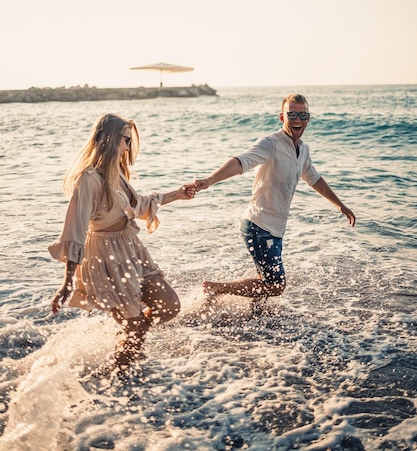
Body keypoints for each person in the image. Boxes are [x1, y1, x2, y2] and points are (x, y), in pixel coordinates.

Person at [48, 113, 196, 372]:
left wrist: (178, 195)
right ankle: (119, 377)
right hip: (104, 257)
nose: (128, 147)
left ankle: (126, 349)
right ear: (110, 139)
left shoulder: (117, 173)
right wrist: (67, 283)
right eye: (126, 139)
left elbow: (138, 207)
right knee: (134, 327)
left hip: (131, 249)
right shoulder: (89, 180)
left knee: (169, 305)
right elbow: (75, 232)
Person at [194, 93, 356, 306]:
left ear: (308, 118)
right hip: (259, 226)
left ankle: (256, 319)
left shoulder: (303, 150)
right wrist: (209, 180)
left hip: (274, 228)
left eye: (302, 115)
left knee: (265, 281)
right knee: (276, 285)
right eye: (292, 114)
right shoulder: (270, 143)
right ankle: (215, 288)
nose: (297, 119)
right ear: (282, 117)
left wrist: (339, 205)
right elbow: (240, 161)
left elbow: (314, 178)